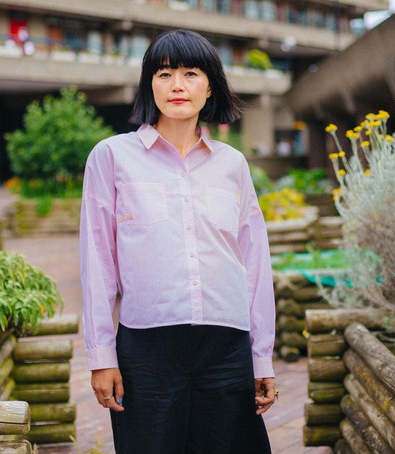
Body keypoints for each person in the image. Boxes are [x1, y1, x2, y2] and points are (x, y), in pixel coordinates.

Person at [80, 29, 276, 453]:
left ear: (210, 87)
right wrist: (101, 356)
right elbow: (97, 262)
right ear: (150, 84)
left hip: (226, 347)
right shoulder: (111, 157)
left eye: (191, 73)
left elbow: (254, 263)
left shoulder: (233, 164)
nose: (177, 86)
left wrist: (261, 357)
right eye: (164, 73)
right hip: (147, 350)